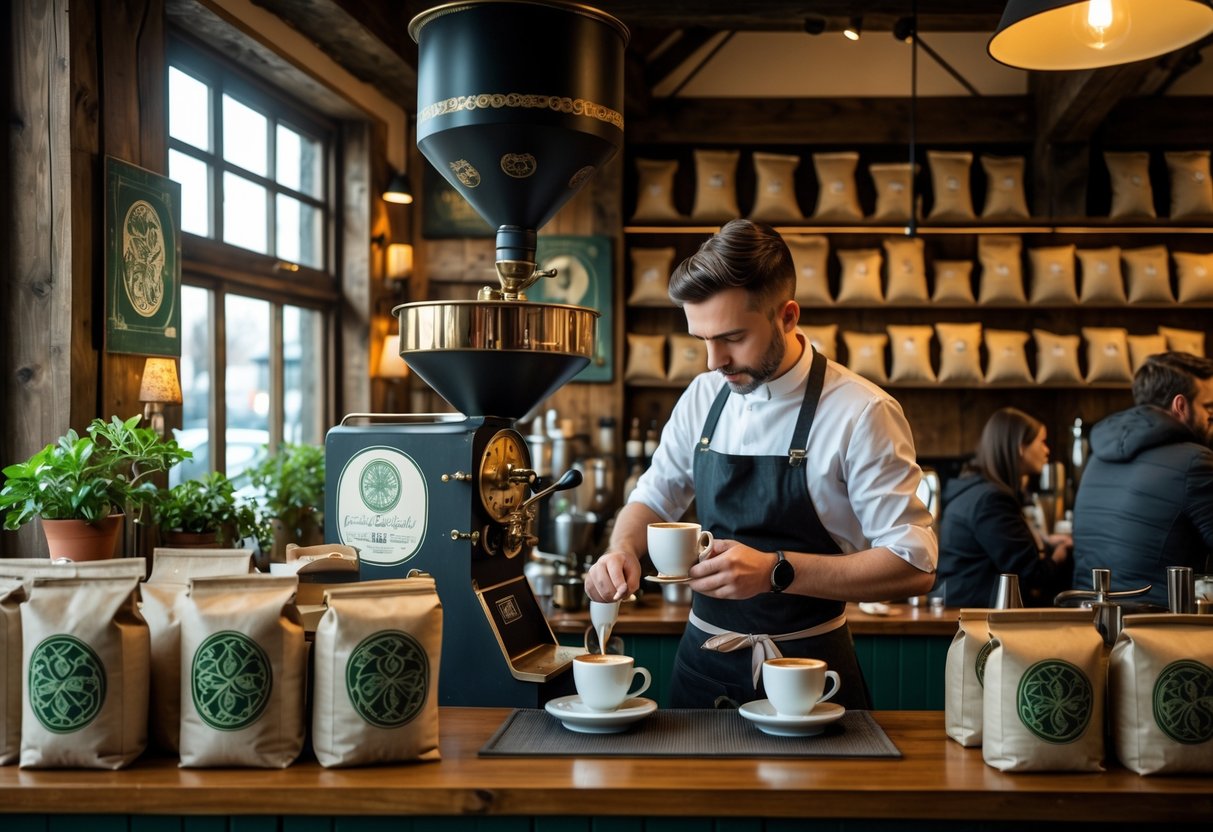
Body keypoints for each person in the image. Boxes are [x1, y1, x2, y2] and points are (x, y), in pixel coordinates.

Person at [583, 219, 937, 710]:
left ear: (788, 316)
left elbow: (913, 564)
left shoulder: (862, 411)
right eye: (702, 339)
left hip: (813, 682)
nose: (713, 361)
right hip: (700, 673)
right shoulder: (705, 395)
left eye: (731, 337)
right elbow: (653, 496)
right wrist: (621, 549)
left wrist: (777, 571)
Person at [1072, 351, 1213, 607]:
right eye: (1208, 408)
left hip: (1087, 625)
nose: (1211, 418)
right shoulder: (1196, 461)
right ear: (1180, 406)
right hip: (1157, 632)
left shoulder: (1098, 457)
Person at [933, 408, 1072, 608]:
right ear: (1020, 448)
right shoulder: (992, 500)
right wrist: (1060, 554)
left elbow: (1002, 550)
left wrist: (1046, 542)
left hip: (967, 609)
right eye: (1041, 441)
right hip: (980, 620)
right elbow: (1033, 574)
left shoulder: (975, 490)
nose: (1047, 450)